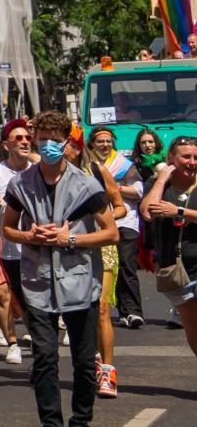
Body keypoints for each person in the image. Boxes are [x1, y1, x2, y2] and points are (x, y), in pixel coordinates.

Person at [1, 109, 118, 427]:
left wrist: (71, 239)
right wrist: (29, 235)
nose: (49, 145)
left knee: (82, 361)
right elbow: (7, 229)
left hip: (80, 283)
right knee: (44, 359)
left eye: (55, 141)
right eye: (43, 140)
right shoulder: (20, 183)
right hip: (37, 283)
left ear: (67, 142)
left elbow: (111, 233)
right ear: (36, 141)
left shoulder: (86, 184)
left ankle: (81, 420)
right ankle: (51, 423)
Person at [67, 128, 131, 397]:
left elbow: (120, 206)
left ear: (78, 147)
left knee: (102, 307)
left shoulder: (96, 170)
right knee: (80, 310)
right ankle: (89, 360)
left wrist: (100, 219)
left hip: (101, 246)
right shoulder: (49, 176)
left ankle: (107, 370)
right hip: (69, 249)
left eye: (66, 144)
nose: (59, 148)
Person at [0, 117, 33, 362]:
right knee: (1, 293)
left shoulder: (37, 171)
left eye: (28, 138)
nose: (25, 141)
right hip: (1, 241)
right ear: (6, 145)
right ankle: (12, 342)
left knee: (30, 299)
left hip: (33, 244)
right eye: (18, 138)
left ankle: (38, 340)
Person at [139, 135, 197, 358]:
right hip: (175, 269)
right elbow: (146, 212)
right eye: (186, 157)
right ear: (172, 158)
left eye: (195, 157)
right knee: (192, 328)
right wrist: (162, 178)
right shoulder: (157, 185)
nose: (192, 162)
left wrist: (179, 212)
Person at [87, 126, 145, 329]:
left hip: (124, 220)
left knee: (127, 263)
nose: (105, 145)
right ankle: (110, 308)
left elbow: (138, 190)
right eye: (100, 141)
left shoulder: (123, 165)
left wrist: (116, 186)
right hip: (96, 223)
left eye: (108, 141)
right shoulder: (86, 165)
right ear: (92, 144)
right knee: (106, 267)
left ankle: (133, 311)